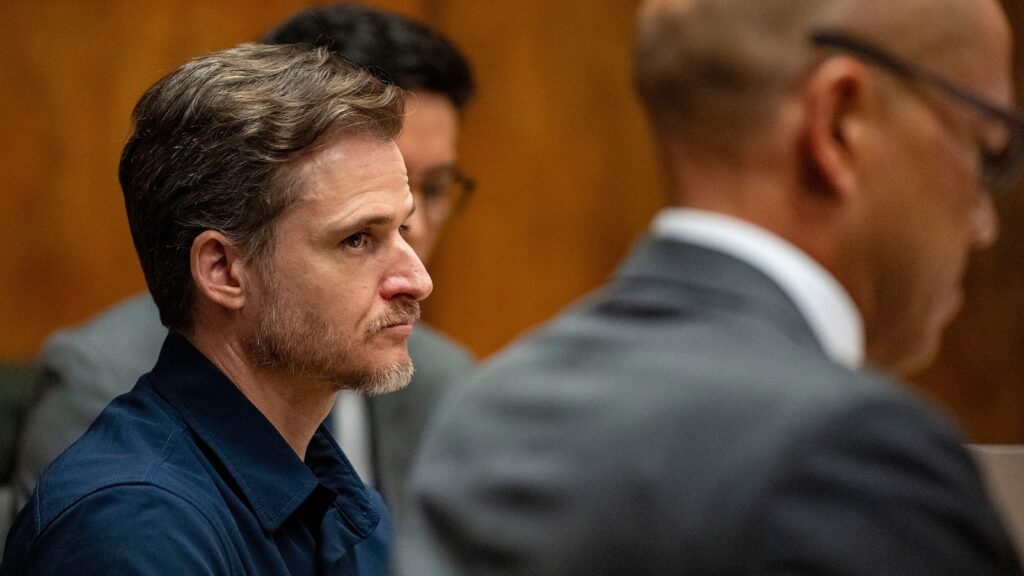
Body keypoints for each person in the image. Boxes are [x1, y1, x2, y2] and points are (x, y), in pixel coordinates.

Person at [395, 0, 1024, 574]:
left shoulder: (492, 410)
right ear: (839, 123)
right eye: (987, 150)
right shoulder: (857, 456)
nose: (985, 226)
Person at [10, 3, 476, 539]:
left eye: (428, 193)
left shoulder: (385, 436)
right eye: (356, 236)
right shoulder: (128, 512)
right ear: (225, 270)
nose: (419, 274)